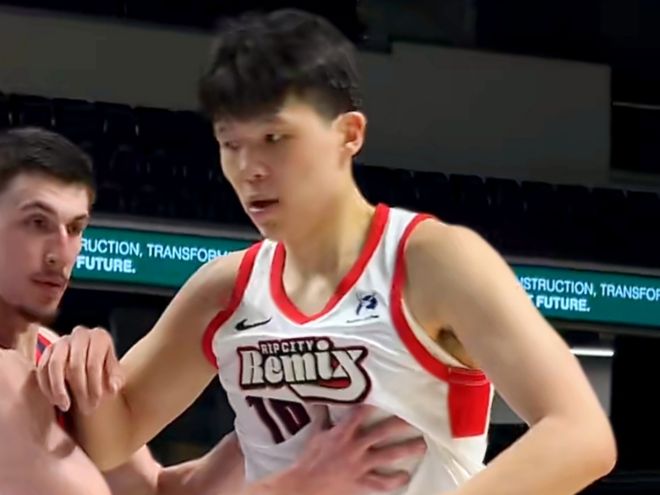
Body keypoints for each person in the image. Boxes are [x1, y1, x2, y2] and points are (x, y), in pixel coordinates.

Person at [38, 8, 617, 495]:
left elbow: (581, 434)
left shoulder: (432, 260)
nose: (249, 168)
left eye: (275, 138)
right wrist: (85, 359)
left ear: (349, 134)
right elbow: (113, 438)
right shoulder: (224, 290)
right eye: (230, 144)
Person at [0, 127, 423, 495]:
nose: (60, 252)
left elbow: (156, 491)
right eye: (37, 223)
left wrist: (271, 427)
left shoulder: (50, 353)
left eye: (75, 227)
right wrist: (298, 484)